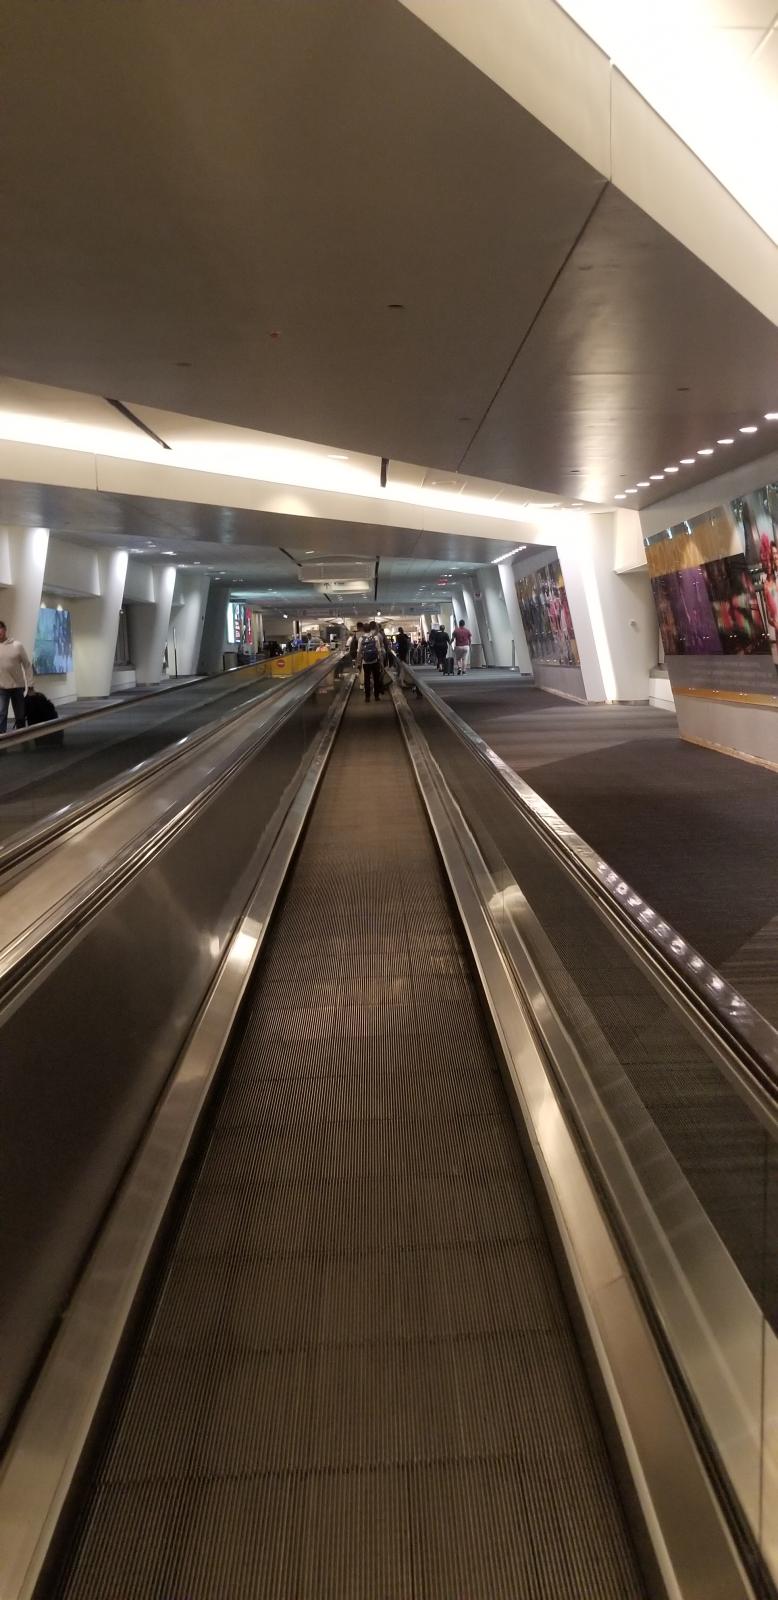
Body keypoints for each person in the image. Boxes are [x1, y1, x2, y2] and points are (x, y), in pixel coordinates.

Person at [0, 620, 32, 733]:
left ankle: (22, 737)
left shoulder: (17, 645)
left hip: (17, 686)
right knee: (1, 713)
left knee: (20, 715)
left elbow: (27, 665)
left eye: (0, 628)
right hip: (1, 687)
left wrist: (30, 685)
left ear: (5, 630)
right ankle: (2, 738)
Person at [357, 619, 386, 702]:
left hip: (365, 662)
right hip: (375, 661)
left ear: (363, 630)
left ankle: (367, 697)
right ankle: (376, 696)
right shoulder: (375, 637)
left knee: (366, 679)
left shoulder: (361, 639)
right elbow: (379, 651)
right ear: (370, 629)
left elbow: (359, 652)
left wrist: (358, 663)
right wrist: (381, 663)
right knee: (376, 678)